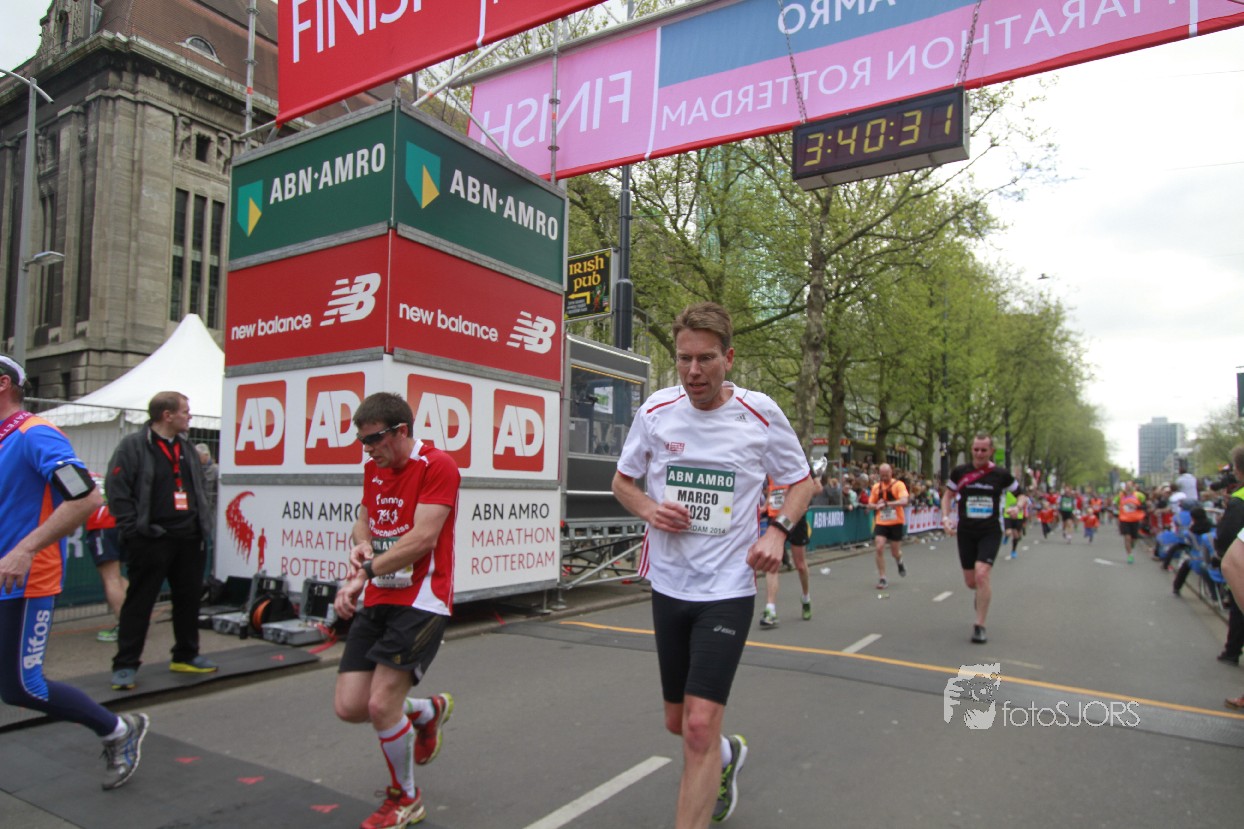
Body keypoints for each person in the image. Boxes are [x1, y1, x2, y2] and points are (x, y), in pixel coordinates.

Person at [612, 302, 814, 827]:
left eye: (705, 359)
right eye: (684, 359)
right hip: (669, 584)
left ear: (729, 358)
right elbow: (623, 482)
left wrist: (776, 531)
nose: (693, 371)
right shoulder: (656, 411)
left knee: (699, 726)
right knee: (678, 722)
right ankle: (728, 755)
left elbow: (802, 482)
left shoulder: (759, 413)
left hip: (727, 588)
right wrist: (650, 509)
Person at [0, 354, 149, 790]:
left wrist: (25, 548)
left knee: (22, 687)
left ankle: (117, 730)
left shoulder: (34, 434)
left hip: (25, 581)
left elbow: (86, 498)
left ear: (3, 383)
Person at [333, 392, 459, 829]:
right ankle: (425, 711)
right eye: (362, 442)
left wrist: (362, 574)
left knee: (381, 704)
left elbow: (423, 539)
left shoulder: (437, 465)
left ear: (400, 431)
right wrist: (362, 544)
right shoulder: (375, 467)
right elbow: (363, 518)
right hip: (380, 597)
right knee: (351, 706)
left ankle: (406, 798)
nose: (368, 450)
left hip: (422, 600)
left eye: (373, 440)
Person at [106, 391, 216, 691]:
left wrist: (201, 524)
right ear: (167, 415)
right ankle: (125, 664)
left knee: (188, 600)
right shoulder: (133, 446)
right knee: (139, 602)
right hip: (150, 539)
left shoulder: (186, 447)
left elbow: (199, 488)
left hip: (189, 538)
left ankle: (186, 655)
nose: (189, 416)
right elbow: (117, 489)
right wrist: (134, 529)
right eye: (185, 411)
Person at [941, 433, 1019, 645]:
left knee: (982, 573)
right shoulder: (960, 472)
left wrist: (1017, 506)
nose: (979, 453)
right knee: (971, 582)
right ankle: (980, 595)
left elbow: (1021, 494)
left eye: (984, 450)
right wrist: (945, 517)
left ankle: (980, 625)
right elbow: (947, 496)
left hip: (990, 530)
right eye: (976, 449)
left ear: (991, 451)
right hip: (966, 531)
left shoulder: (1001, 475)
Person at [759, 475, 812, 627]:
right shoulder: (769, 470)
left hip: (794, 517)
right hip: (775, 517)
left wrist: (798, 499)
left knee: (800, 565)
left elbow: (814, 487)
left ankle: (806, 597)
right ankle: (770, 609)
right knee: (772, 563)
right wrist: (765, 505)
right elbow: (772, 490)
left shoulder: (796, 466)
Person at [1210, 448, 1244, 668]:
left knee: (1238, 608)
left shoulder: (1239, 499)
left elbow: (1226, 538)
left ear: (1239, 471)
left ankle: (1232, 650)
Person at [84, 476, 126, 642]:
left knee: (111, 577)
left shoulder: (74, 475)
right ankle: (135, 620)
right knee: (117, 576)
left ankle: (126, 627)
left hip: (103, 524)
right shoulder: (99, 476)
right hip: (122, 522)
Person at [869, 464, 909, 589]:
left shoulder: (899, 485)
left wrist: (888, 504)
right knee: (879, 547)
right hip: (881, 522)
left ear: (891, 473)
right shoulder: (876, 487)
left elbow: (904, 501)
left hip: (896, 522)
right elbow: (870, 504)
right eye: (882, 475)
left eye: (886, 475)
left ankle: (899, 561)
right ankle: (882, 578)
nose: (884, 477)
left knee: (895, 552)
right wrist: (877, 506)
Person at [1116, 480, 1146, 564]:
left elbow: (1145, 506)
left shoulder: (1139, 495)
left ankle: (1132, 544)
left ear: (1133, 487)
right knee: (1127, 537)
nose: (1128, 488)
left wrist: (1136, 507)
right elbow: (1115, 504)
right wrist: (1116, 512)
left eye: (1130, 486)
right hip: (1124, 520)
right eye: (1127, 486)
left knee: (1134, 538)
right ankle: (1130, 555)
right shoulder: (1120, 495)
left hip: (1135, 519)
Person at [1003, 490, 1029, 558]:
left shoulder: (1022, 496)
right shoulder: (1007, 492)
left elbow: (1026, 505)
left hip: (1018, 517)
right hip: (1007, 516)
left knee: (1016, 536)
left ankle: (1013, 551)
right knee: (1008, 532)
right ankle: (1006, 536)